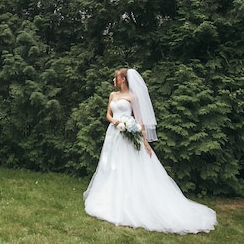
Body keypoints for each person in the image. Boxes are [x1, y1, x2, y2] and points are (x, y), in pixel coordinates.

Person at [83, 67, 217, 234]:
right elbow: (108, 115)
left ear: (123, 79)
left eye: (115, 78)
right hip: (114, 134)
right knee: (113, 165)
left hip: (130, 134)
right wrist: (117, 122)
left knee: (130, 166)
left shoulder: (133, 97)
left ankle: (132, 201)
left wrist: (144, 141)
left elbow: (140, 120)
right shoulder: (112, 95)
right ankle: (111, 199)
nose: (113, 80)